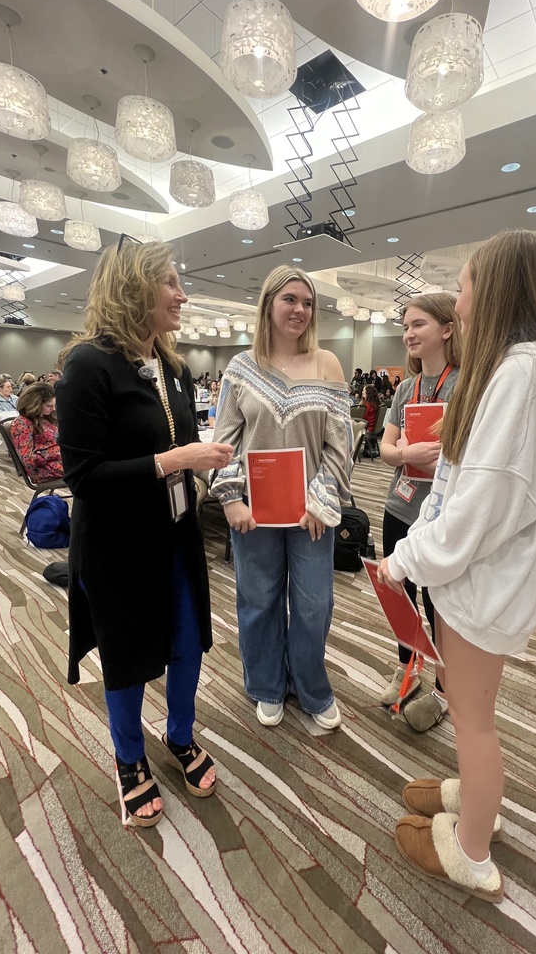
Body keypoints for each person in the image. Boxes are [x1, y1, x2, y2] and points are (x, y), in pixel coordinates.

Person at [378, 229, 536, 903]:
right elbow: (484, 483)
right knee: (473, 711)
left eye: (464, 285)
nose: (457, 300)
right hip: (488, 579)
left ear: (494, 289)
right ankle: (474, 798)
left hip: (482, 581)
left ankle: (469, 847)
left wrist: (406, 559)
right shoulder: (531, 366)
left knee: (472, 718)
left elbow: (480, 508)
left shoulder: (522, 372)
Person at [56, 239, 233, 829]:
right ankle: (129, 759)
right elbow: (83, 476)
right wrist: (174, 460)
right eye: (171, 283)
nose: (182, 295)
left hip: (178, 535)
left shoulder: (174, 368)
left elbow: (180, 452)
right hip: (118, 544)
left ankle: (179, 735)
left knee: (189, 641)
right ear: (135, 288)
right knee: (128, 655)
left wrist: (201, 469)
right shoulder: (87, 365)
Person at [210, 265, 352, 730]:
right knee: (259, 598)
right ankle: (267, 685)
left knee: (314, 603)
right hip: (254, 509)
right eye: (290, 300)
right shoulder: (241, 367)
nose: (300, 310)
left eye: (308, 303)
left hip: (312, 510)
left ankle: (311, 687)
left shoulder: (327, 363)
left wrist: (323, 500)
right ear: (269, 304)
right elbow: (224, 438)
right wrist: (231, 498)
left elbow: (340, 443)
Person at [378, 293, 461, 731]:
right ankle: (407, 669)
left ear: (447, 329)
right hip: (401, 504)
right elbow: (385, 447)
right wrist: (406, 452)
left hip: (443, 512)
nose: (408, 334)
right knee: (399, 594)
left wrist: (440, 457)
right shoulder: (406, 389)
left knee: (438, 604)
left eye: (418, 325)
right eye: (405, 326)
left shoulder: (464, 385)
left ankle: (444, 692)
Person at [10, 383, 64, 482]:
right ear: (35, 404)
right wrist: (57, 452)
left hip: (58, 462)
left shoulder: (46, 418)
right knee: (88, 468)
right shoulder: (21, 423)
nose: (53, 409)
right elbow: (28, 459)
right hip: (41, 470)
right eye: (49, 406)